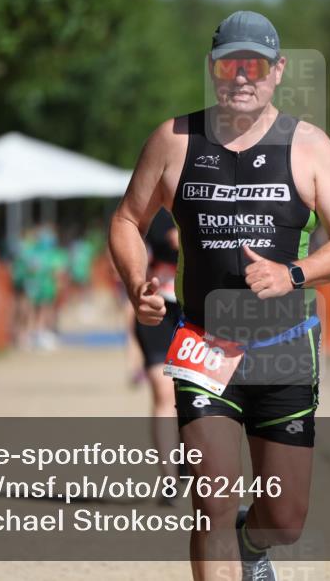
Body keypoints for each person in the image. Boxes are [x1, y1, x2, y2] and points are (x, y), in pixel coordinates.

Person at [109, 10, 330, 581]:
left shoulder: (309, 145)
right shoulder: (175, 140)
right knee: (213, 504)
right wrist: (136, 285)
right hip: (204, 346)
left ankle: (256, 549)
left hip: (285, 350)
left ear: (277, 71)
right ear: (213, 69)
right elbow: (128, 220)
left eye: (255, 64)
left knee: (285, 519)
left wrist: (293, 274)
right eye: (231, 64)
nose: (242, 76)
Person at [131, 209, 183, 502]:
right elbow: (174, 240)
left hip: (198, 310)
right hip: (158, 310)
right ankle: (169, 479)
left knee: (192, 395)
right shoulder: (157, 207)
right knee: (164, 394)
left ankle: (188, 455)